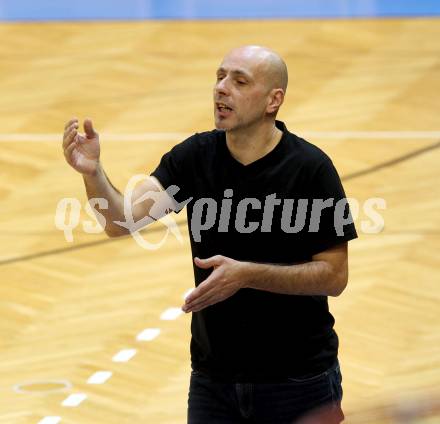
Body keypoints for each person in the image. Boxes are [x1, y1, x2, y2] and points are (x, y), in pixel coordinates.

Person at [62, 45, 357, 423]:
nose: (221, 88)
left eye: (239, 81)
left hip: (298, 380)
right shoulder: (194, 157)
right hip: (213, 380)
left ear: (273, 100)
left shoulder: (310, 169)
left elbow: (334, 277)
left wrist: (247, 275)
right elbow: (122, 222)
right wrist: (93, 172)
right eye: (219, 77)